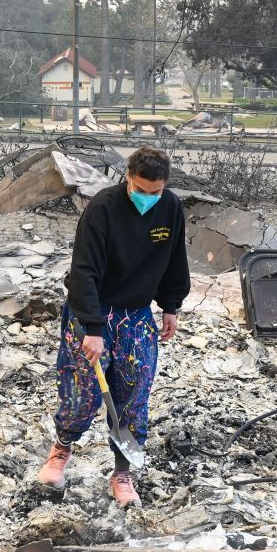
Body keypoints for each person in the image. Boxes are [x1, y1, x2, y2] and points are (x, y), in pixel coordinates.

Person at [37, 146, 189, 505]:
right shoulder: (103, 208)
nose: (148, 198)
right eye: (141, 190)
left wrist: (171, 306)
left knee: (134, 396)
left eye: (156, 191)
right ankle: (61, 450)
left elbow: (174, 260)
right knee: (84, 391)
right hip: (92, 311)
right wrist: (92, 327)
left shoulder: (170, 208)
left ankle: (122, 472)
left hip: (135, 314)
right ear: (128, 179)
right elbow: (84, 271)